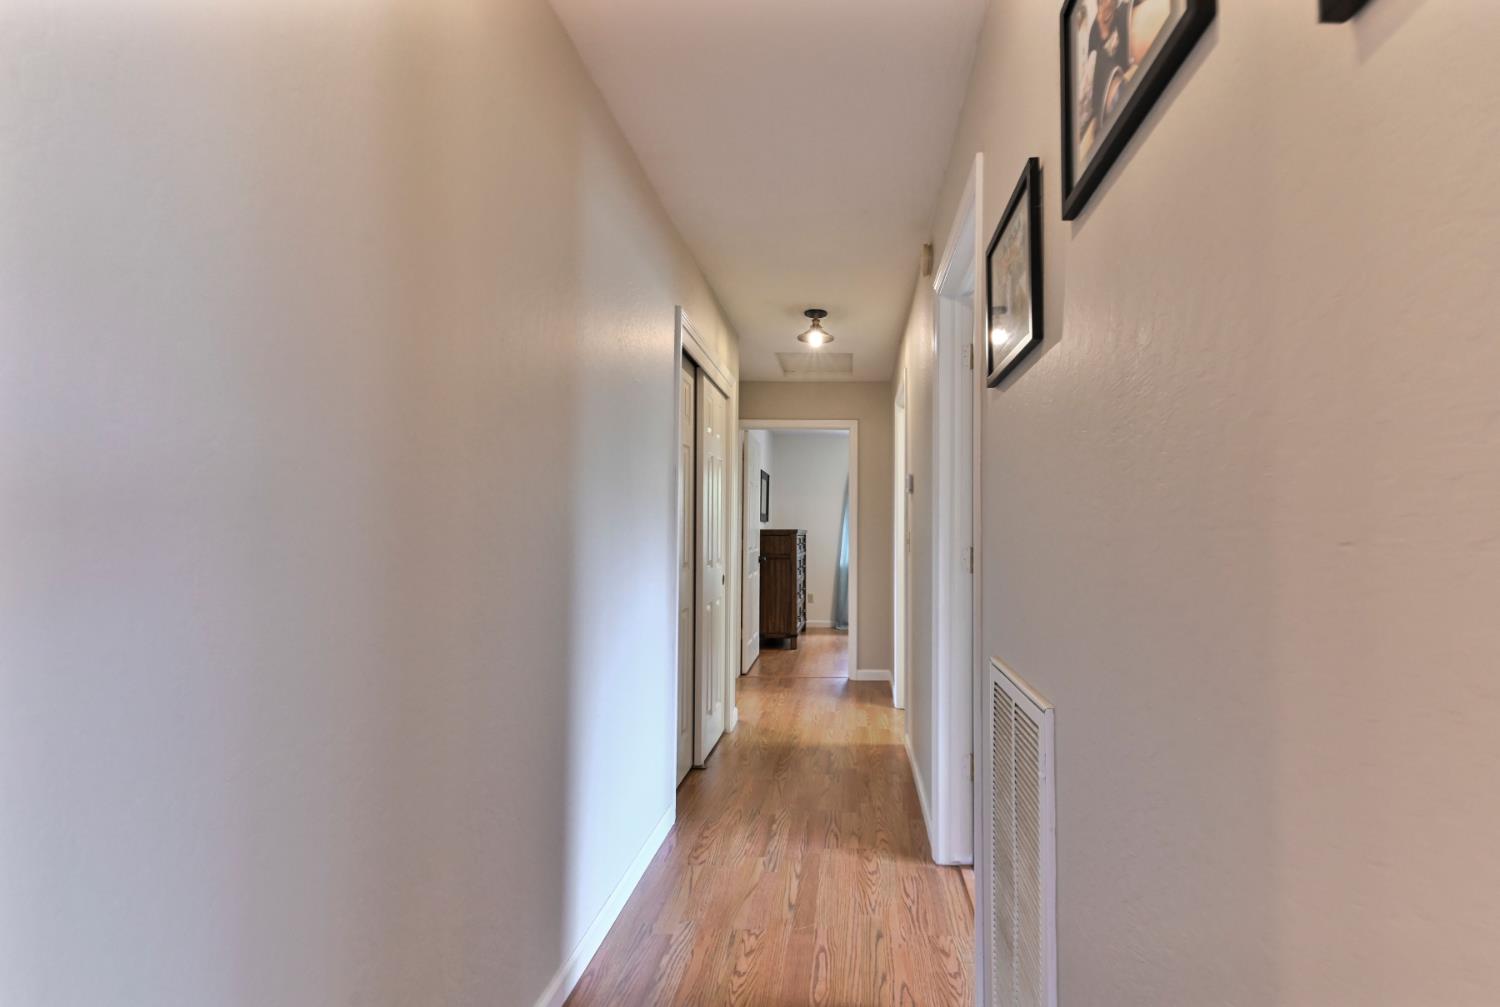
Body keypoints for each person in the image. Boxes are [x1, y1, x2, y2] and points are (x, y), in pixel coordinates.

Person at [1088, 0, 1133, 130]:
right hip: (1111, 78)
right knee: (1099, 60)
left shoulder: (1121, 12)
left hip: (1128, 58)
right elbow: (1095, 63)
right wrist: (1104, 29)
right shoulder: (1094, 31)